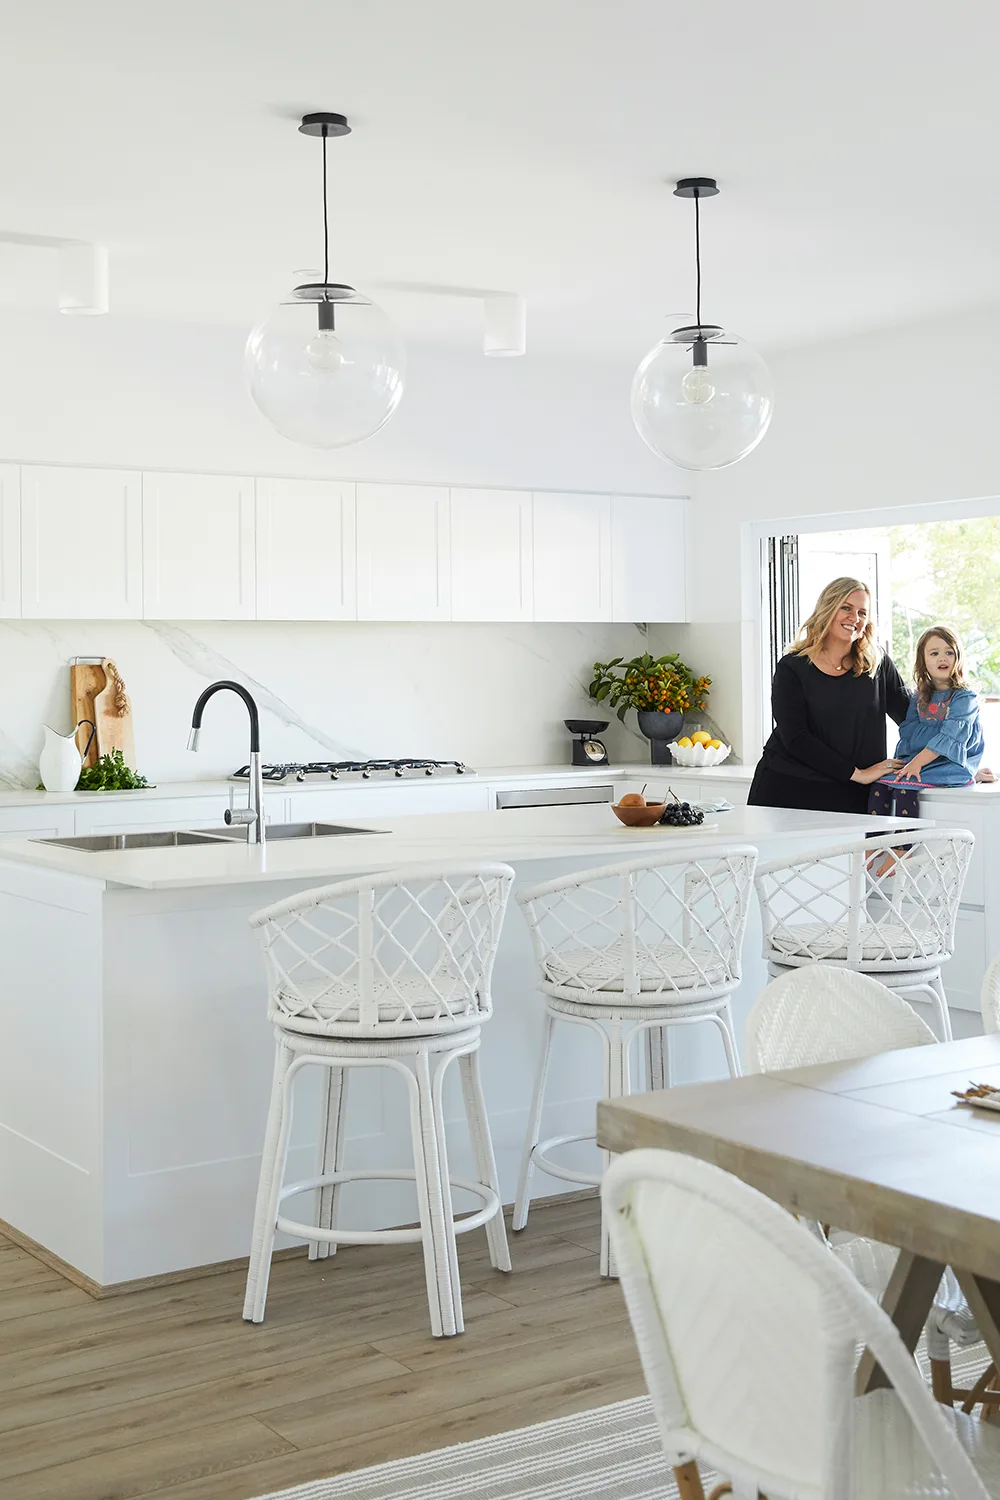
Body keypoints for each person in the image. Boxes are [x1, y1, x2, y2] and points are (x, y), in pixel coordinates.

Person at [748, 576, 908, 815]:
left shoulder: (877, 664)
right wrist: (859, 774)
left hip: (851, 794)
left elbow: (913, 719)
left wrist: (957, 765)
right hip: (786, 789)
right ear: (828, 609)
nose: (854, 618)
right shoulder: (792, 667)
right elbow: (796, 737)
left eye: (862, 612)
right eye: (846, 608)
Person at [868, 625, 994, 819]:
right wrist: (906, 762)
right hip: (923, 761)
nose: (942, 658)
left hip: (951, 764)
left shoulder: (964, 698)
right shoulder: (919, 697)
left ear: (958, 657)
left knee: (905, 788)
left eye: (949, 652)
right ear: (923, 661)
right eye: (934, 653)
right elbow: (909, 732)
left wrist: (916, 762)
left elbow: (950, 737)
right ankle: (874, 849)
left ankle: (903, 848)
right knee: (879, 786)